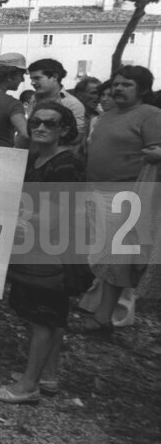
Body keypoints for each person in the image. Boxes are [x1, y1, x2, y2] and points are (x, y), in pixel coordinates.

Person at [0, 102, 84, 404]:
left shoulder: (65, 165)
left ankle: (28, 386)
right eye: (36, 123)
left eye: (50, 124)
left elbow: (55, 217)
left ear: (65, 130)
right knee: (47, 317)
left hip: (50, 254)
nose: (41, 128)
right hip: (35, 249)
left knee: (41, 319)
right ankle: (47, 376)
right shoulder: (39, 159)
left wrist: (14, 214)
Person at [83, 65, 161, 335]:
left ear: (142, 89)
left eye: (126, 84)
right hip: (97, 192)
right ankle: (100, 309)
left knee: (116, 259)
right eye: (116, 83)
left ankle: (107, 317)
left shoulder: (151, 115)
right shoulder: (108, 115)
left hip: (126, 196)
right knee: (101, 255)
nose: (117, 88)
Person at [25, 58, 87, 143]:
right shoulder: (34, 99)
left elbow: (77, 137)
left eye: (37, 78)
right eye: (31, 79)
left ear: (54, 77)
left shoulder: (72, 104)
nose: (32, 83)